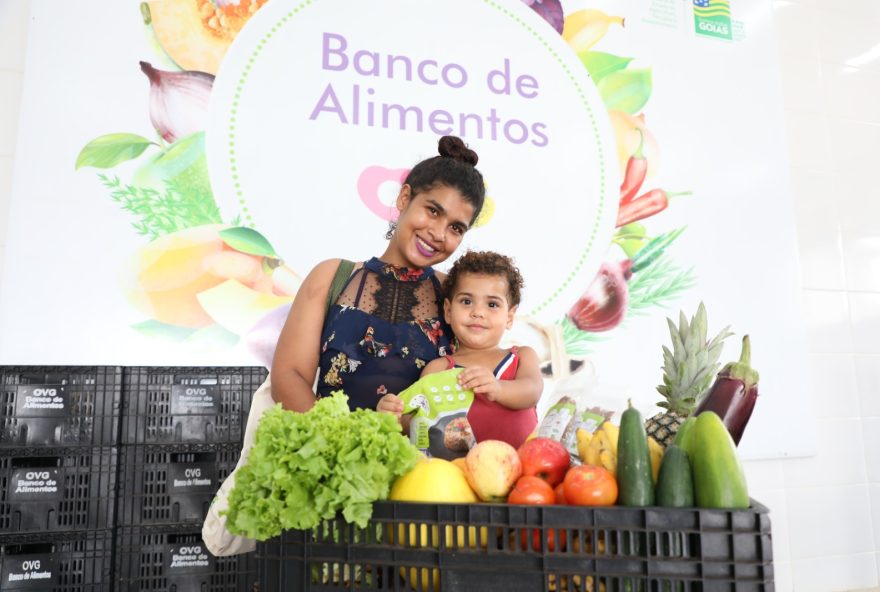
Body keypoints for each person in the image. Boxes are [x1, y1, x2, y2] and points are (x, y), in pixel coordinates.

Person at [270, 136, 486, 414]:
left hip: (426, 458)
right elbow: (289, 377)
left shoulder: (456, 295)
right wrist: (343, 444)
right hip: (328, 450)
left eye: (456, 228)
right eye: (433, 211)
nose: (438, 233)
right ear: (404, 197)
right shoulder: (332, 277)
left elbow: (484, 376)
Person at [419, 250, 542, 449]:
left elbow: (532, 391)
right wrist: (398, 416)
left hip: (524, 470)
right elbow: (422, 420)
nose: (478, 312)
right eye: (467, 301)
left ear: (509, 317)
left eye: (492, 304)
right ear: (448, 311)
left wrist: (498, 388)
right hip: (458, 473)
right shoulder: (439, 369)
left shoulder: (521, 357)